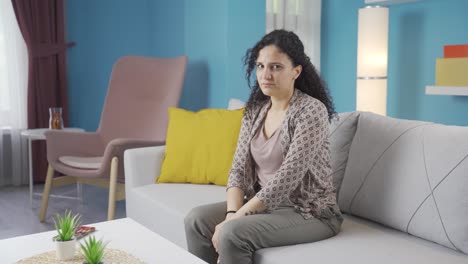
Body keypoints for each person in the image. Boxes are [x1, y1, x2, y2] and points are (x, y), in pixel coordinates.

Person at [184, 29, 342, 264]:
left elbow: (288, 176)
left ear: (296, 71)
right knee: (196, 220)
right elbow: (238, 169)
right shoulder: (255, 111)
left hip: (309, 212)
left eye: (276, 67)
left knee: (231, 233)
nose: (265, 74)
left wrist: (235, 220)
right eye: (260, 66)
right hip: (263, 204)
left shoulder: (311, 111)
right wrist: (231, 214)